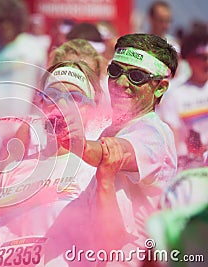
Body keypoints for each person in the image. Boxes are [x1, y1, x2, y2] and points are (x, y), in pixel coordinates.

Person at [0, 59, 105, 267]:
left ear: (92, 108)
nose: (61, 105)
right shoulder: (13, 171)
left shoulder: (96, 171)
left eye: (74, 97)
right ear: (41, 103)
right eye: (53, 95)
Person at [56, 33, 178, 266]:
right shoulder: (114, 128)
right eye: (116, 71)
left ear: (160, 88)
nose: (121, 83)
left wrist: (68, 136)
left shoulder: (154, 133)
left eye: (136, 76)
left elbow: (109, 153)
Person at [157, 31, 208, 170]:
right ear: (188, 58)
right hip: (191, 168)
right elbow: (173, 141)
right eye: (202, 57)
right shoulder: (174, 95)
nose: (207, 62)